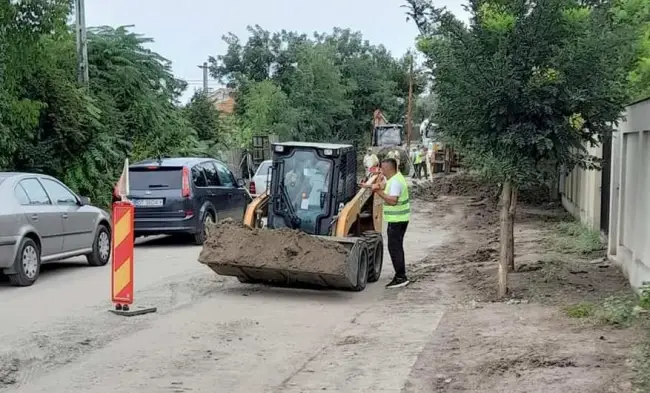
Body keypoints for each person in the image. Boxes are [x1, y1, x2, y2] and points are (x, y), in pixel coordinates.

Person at [361, 158, 410, 288]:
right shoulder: (395, 178)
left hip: (397, 220)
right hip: (400, 219)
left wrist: (378, 192)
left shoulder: (395, 183)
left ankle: (401, 277)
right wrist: (369, 186)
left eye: (382, 168)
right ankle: (400, 275)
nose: (381, 171)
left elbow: (392, 200)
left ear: (389, 169)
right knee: (396, 247)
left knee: (395, 248)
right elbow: (383, 185)